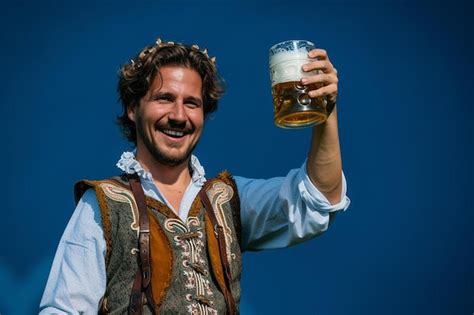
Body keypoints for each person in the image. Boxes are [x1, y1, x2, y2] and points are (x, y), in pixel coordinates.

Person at [39, 38, 350, 314]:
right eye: (164, 99)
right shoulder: (102, 205)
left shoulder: (227, 198)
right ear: (133, 109)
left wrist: (326, 112)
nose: (178, 115)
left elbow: (317, 199)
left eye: (191, 103)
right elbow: (63, 310)